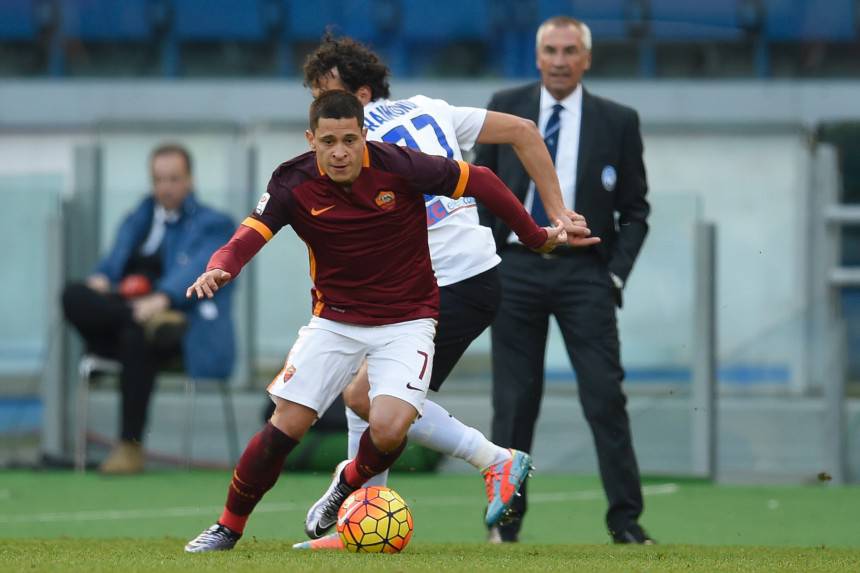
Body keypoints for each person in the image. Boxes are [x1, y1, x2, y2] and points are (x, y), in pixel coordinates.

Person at [183, 90, 568, 553]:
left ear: (365, 136)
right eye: (329, 141)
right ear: (312, 140)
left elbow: (482, 179)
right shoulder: (292, 182)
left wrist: (533, 236)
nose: (341, 151)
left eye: (350, 139)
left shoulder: (398, 165)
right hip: (335, 321)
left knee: (388, 426)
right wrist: (221, 265)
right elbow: (248, 235)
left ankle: (347, 483)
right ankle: (227, 527)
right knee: (287, 424)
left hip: (408, 320)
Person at [292, 35, 601, 550]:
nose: (324, 111)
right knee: (361, 392)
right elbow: (525, 131)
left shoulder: (358, 150)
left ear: (362, 97)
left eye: (329, 95)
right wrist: (558, 212)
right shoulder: (432, 109)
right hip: (447, 279)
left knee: (372, 398)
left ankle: (495, 460)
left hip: (449, 281)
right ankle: (356, 527)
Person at [474, 16, 653, 544]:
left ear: (587, 59)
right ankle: (505, 527)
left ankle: (626, 524)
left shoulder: (618, 120)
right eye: (550, 49)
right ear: (536, 56)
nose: (559, 59)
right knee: (513, 402)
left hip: (585, 274)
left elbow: (637, 210)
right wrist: (486, 261)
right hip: (516, 270)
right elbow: (478, 191)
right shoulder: (505, 104)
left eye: (569, 50)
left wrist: (614, 275)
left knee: (604, 398)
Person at [61, 143, 236, 474]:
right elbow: (113, 262)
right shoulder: (138, 217)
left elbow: (199, 269)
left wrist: (163, 299)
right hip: (133, 314)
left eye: (174, 178)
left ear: (190, 180)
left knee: (136, 337)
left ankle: (130, 447)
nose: (166, 187)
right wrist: (101, 279)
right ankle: (134, 322)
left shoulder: (214, 224)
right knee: (73, 295)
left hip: (183, 328)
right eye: (159, 179)